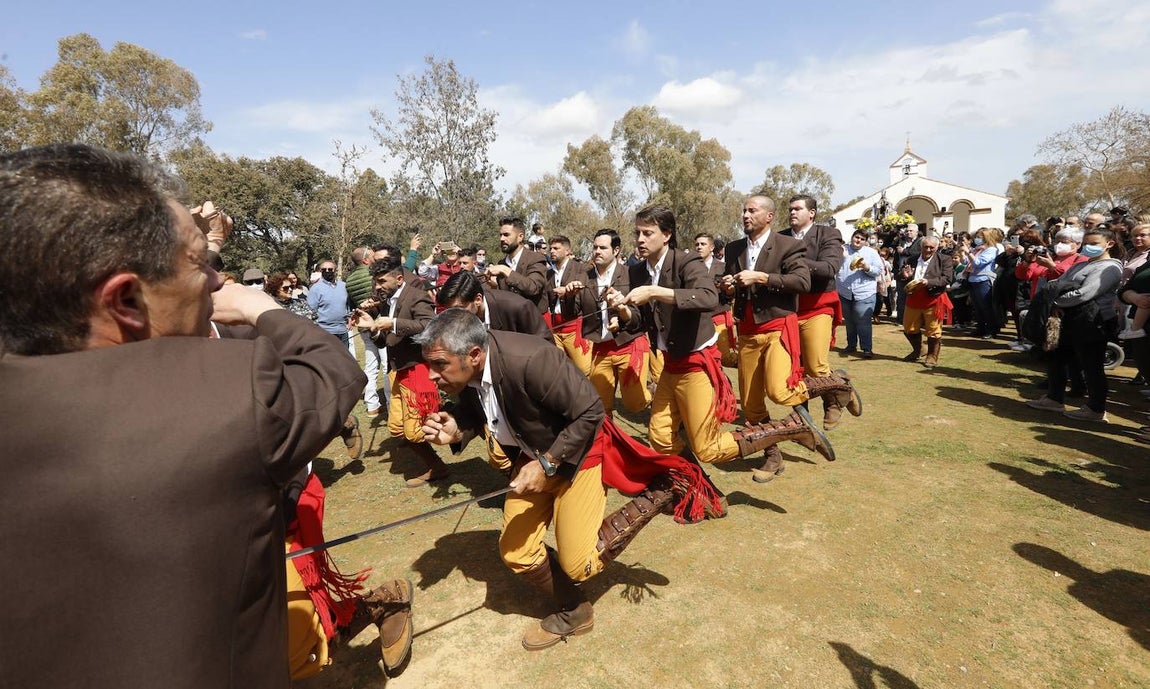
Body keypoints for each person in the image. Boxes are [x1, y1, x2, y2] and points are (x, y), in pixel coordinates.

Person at [0, 143, 369, 689]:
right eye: (201, 265)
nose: (217, 282)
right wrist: (262, 308)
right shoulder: (224, 399)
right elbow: (332, 371)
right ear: (125, 300)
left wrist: (200, 244)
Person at [417, 309, 721, 650]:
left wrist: (547, 462)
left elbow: (590, 411)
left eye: (439, 364)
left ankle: (660, 493)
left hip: (578, 457)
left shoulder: (530, 359)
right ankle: (576, 612)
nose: (431, 375)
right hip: (533, 457)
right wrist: (456, 426)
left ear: (473, 355)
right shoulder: (469, 371)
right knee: (517, 551)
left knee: (578, 565)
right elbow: (481, 408)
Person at [613, 203, 847, 482]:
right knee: (662, 437)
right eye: (637, 233)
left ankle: (809, 410)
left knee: (717, 442)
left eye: (647, 233)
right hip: (676, 361)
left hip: (700, 360)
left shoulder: (687, 262)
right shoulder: (637, 271)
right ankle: (698, 485)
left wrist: (658, 292)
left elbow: (707, 298)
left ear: (666, 235)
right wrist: (623, 311)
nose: (639, 239)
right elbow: (641, 320)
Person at [720, 196, 859, 481]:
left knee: (780, 391)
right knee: (751, 404)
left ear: (769, 216)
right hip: (747, 330)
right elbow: (727, 289)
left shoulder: (789, 246)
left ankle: (837, 384)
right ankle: (772, 457)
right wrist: (727, 287)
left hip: (777, 326)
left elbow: (802, 282)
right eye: (743, 210)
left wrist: (762, 277)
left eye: (752, 210)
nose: (745, 215)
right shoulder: (734, 248)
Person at [358, 255, 448, 487]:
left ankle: (455, 431)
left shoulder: (416, 296)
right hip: (398, 370)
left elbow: (431, 326)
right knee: (397, 427)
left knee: (415, 431)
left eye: (381, 281)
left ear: (399, 279)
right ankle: (437, 466)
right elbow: (384, 341)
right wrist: (373, 327)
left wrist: (394, 324)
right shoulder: (389, 301)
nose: (377, 287)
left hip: (417, 369)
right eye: (375, 282)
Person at [1025, 226, 1124, 421]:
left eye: (1094, 244)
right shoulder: (1082, 264)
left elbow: (1086, 292)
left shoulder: (1110, 267)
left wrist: (1054, 302)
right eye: (1086, 244)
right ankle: (1054, 398)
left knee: (1091, 365)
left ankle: (1096, 409)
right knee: (1057, 357)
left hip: (1093, 321)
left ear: (1109, 244)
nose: (1088, 247)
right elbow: (1060, 282)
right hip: (1069, 319)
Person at [576, 228, 653, 414]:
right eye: (595, 247)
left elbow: (639, 317)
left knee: (635, 404)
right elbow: (574, 311)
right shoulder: (584, 276)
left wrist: (622, 316)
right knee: (599, 407)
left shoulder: (631, 274)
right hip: (601, 349)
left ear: (616, 250)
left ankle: (654, 392)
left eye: (603, 247)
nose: (597, 251)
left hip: (629, 344)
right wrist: (569, 296)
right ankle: (605, 442)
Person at [437, 269, 552, 341]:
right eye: (450, 311)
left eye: (460, 309)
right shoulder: (455, 320)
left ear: (478, 299)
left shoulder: (518, 307)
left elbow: (546, 347)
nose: (454, 316)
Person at [900, 235, 955, 368]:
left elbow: (947, 279)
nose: (928, 249)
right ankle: (918, 350)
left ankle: (932, 356)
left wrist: (928, 282)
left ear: (937, 248)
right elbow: (900, 275)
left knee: (933, 330)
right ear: (921, 247)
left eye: (931, 247)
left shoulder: (944, 259)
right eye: (926, 247)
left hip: (934, 298)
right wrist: (904, 275)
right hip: (913, 297)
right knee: (909, 328)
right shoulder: (911, 259)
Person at [345, 246, 384, 417]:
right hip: (379, 323)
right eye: (372, 256)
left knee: (371, 366)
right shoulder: (373, 274)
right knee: (387, 364)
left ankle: (372, 405)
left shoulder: (349, 280)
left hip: (363, 325)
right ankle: (391, 403)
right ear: (366, 260)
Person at [546, 234, 592, 374]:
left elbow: (584, 292)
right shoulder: (548, 273)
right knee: (558, 369)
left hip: (574, 326)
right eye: (551, 248)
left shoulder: (580, 269)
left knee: (583, 370)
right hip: (555, 328)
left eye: (556, 248)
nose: (552, 251)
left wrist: (567, 292)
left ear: (567, 251)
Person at [486, 216, 549, 313]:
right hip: (510, 322)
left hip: (533, 322)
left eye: (506, 235)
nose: (502, 239)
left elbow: (533, 287)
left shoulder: (536, 258)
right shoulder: (502, 263)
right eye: (500, 235)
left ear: (520, 237)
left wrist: (505, 270)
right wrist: (494, 286)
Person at [837, 229, 884, 358]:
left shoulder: (871, 253)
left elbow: (879, 270)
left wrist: (867, 267)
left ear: (865, 242)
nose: (858, 240)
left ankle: (866, 349)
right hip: (844, 291)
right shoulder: (842, 250)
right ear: (852, 237)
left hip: (864, 292)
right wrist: (840, 256)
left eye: (862, 239)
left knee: (863, 321)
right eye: (856, 237)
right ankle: (851, 345)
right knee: (850, 321)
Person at [695, 231, 737, 366]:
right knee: (702, 359)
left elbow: (731, 295)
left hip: (718, 317)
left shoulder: (724, 267)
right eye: (696, 244)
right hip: (697, 320)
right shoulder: (689, 269)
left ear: (711, 248)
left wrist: (729, 291)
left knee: (725, 358)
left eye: (703, 244)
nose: (699, 247)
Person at [965, 227, 1003, 338]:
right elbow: (967, 262)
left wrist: (969, 253)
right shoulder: (978, 249)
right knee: (977, 307)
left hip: (984, 280)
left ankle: (990, 329)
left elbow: (978, 263)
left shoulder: (992, 250)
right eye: (977, 237)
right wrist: (965, 253)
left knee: (986, 306)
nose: (978, 239)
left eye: (980, 237)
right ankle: (980, 328)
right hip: (973, 279)